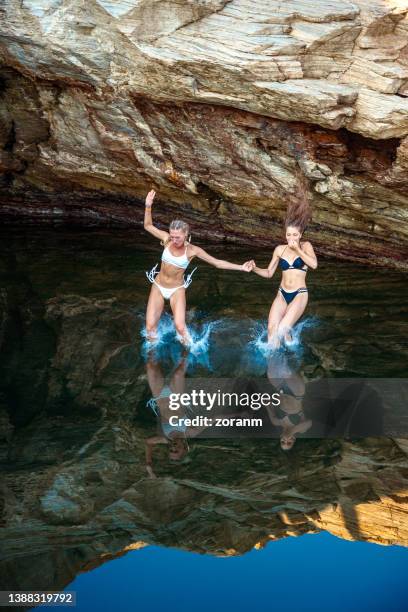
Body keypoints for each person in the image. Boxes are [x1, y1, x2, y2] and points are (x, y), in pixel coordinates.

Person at [144, 189, 254, 345]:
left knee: (180, 327)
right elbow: (148, 225)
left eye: (178, 237)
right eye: (172, 236)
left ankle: (191, 351)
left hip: (176, 289)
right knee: (149, 327)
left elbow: (217, 263)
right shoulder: (167, 239)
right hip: (158, 285)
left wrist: (241, 267)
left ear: (186, 234)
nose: (174, 240)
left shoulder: (192, 251)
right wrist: (148, 206)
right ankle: (152, 356)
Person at [251, 221, 317, 348]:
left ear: (300, 235)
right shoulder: (279, 250)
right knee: (271, 329)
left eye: (294, 235)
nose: (291, 238)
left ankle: (292, 351)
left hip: (299, 294)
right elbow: (269, 272)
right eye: (288, 235)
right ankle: (273, 363)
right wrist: (254, 268)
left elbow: (314, 264)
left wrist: (297, 249)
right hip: (282, 293)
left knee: (281, 330)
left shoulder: (306, 246)